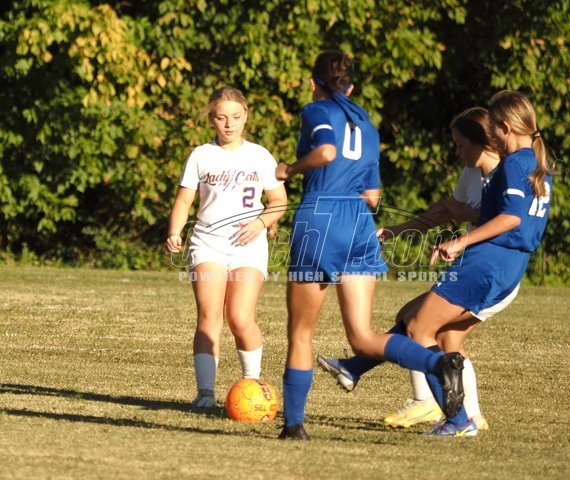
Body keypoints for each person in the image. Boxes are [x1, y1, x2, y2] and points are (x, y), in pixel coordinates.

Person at [318, 107, 502, 431]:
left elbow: (507, 222)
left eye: (461, 144)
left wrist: (463, 228)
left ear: (481, 140)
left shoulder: (504, 174)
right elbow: (446, 211)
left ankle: (437, 407)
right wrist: (397, 230)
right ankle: (469, 414)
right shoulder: (472, 172)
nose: (457, 152)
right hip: (476, 266)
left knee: (418, 326)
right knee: (441, 335)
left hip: (491, 271)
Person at [274, 50, 388, 440]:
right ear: (351, 87)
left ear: (313, 83)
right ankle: (434, 363)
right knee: (362, 337)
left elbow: (326, 151)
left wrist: (289, 169)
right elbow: (373, 196)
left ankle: (294, 426)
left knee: (301, 333)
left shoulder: (316, 110)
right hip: (359, 221)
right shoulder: (368, 125)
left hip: (321, 215)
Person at [165, 86, 287, 409]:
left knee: (240, 317)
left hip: (248, 246)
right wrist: (175, 231)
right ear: (212, 120)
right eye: (221, 117)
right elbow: (184, 201)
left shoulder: (260, 155)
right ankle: (205, 394)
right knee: (209, 316)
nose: (229, 124)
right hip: (208, 243)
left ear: (245, 116)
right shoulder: (200, 155)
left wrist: (260, 223)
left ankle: (252, 387)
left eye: (235, 116)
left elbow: (278, 201)